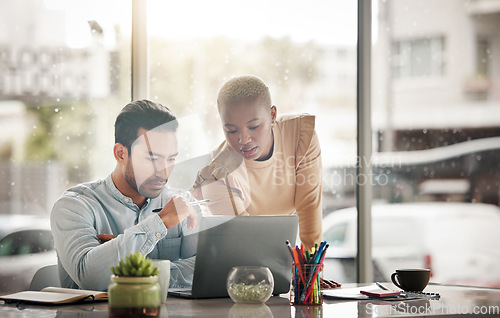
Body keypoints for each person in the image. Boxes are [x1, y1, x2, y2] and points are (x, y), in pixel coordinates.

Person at [51, 100, 200, 291]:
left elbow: (206, 270)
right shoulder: (74, 206)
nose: (164, 172)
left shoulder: (184, 204)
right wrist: (161, 222)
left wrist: (126, 266)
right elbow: (91, 278)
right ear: (121, 153)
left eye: (171, 159)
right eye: (152, 158)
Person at [192, 75, 322, 251]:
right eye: (231, 130)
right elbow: (246, 242)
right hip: (240, 262)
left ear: (272, 114)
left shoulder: (300, 135)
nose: (243, 139)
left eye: (253, 127)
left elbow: (310, 214)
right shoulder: (217, 173)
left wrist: (311, 274)